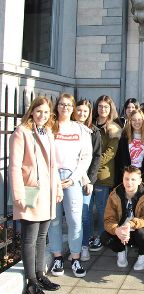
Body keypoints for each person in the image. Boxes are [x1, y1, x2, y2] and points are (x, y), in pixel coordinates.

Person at [9, 96, 63, 294]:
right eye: (39, 111)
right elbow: (14, 166)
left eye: (46, 112)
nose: (42, 115)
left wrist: (58, 187)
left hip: (48, 193)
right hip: (30, 192)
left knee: (42, 236)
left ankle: (40, 274)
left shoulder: (48, 132)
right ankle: (31, 280)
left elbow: (53, 165)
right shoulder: (21, 133)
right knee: (29, 238)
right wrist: (18, 194)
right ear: (32, 111)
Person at [48, 93, 92, 278]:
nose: (65, 107)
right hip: (52, 177)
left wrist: (75, 178)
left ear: (72, 107)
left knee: (75, 220)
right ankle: (57, 257)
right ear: (57, 106)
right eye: (62, 104)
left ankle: (75, 258)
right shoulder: (50, 127)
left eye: (68, 105)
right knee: (54, 219)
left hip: (72, 177)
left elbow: (86, 157)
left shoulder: (80, 129)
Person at [101, 166, 144, 270]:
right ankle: (121, 251)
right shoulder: (114, 195)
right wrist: (117, 230)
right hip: (122, 232)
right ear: (123, 179)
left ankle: (143, 254)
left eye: (133, 179)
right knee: (104, 237)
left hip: (137, 230)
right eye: (126, 179)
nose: (129, 182)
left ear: (140, 181)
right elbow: (108, 219)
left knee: (143, 233)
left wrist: (130, 224)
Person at [90, 95, 122, 251]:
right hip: (86, 172)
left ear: (111, 109)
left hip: (103, 173)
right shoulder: (90, 125)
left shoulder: (114, 128)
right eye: (100, 106)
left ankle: (102, 237)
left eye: (106, 107)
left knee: (103, 208)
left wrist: (93, 165)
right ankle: (90, 236)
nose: (103, 109)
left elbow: (110, 152)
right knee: (87, 209)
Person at [74, 99, 102, 261]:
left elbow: (96, 157)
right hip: (68, 178)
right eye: (79, 110)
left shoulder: (93, 131)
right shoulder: (66, 128)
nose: (82, 114)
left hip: (85, 180)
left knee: (85, 214)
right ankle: (75, 247)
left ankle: (84, 246)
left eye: (85, 111)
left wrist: (90, 180)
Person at [115, 108, 144, 184]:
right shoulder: (125, 136)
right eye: (133, 120)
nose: (136, 122)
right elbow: (119, 157)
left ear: (143, 120)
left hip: (143, 175)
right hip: (127, 175)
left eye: (139, 119)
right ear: (130, 121)